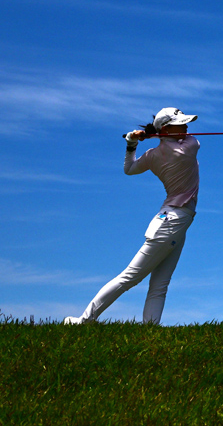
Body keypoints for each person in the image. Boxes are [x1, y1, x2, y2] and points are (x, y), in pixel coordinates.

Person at [64, 107, 201, 325]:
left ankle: (149, 329)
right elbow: (193, 140)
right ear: (166, 129)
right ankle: (85, 320)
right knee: (130, 277)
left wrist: (132, 143)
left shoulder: (152, 155)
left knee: (160, 283)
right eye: (180, 124)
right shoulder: (187, 148)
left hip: (176, 219)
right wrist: (155, 135)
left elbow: (130, 168)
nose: (186, 127)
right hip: (172, 221)